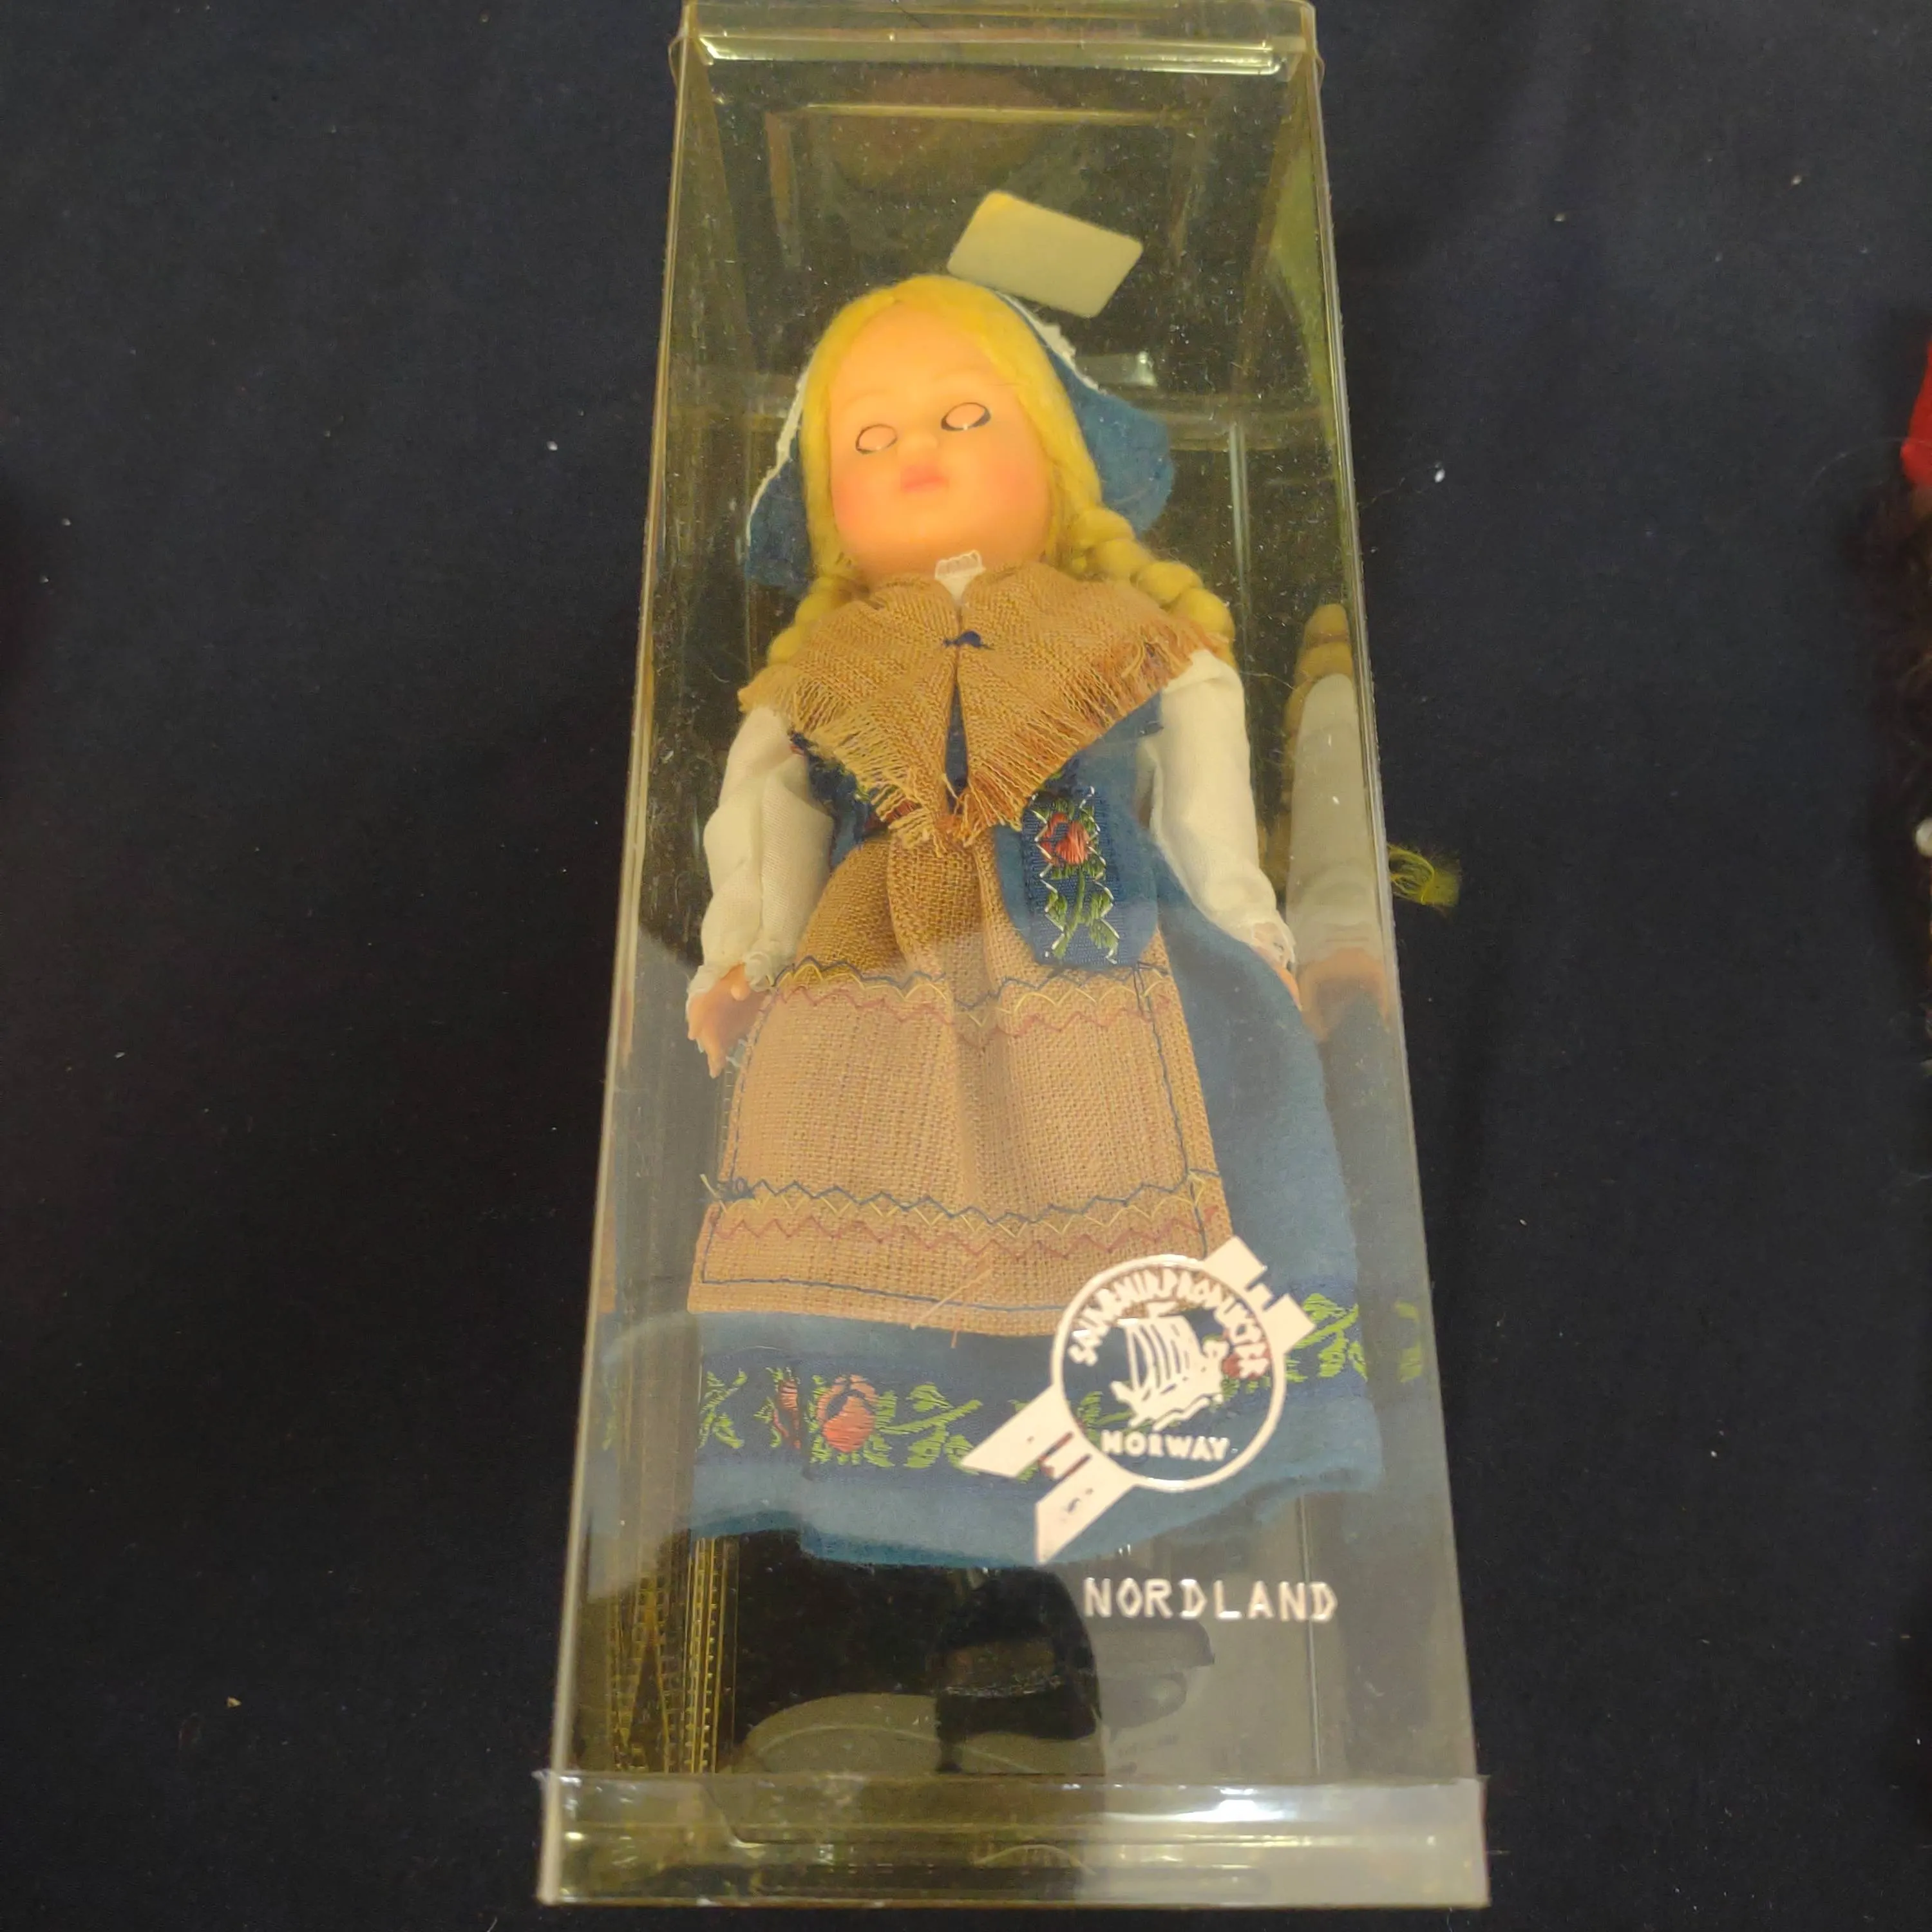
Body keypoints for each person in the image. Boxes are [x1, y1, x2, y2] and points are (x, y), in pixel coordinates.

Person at [679, 274, 1377, 1567]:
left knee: (1219, 1136)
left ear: (1054, 460)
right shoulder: (814, 676)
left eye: (966, 418)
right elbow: (766, 826)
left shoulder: (1141, 637)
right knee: (861, 1174)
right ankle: (900, 1480)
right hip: (879, 965)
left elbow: (1208, 820)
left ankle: (1189, 1433)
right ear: (828, 508)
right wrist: (744, 959)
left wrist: (1255, 938)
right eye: (869, 441)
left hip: (1122, 947)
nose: (918, 452)